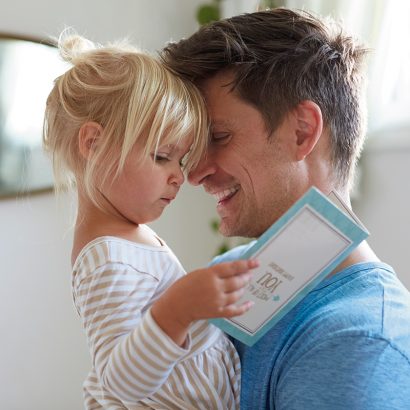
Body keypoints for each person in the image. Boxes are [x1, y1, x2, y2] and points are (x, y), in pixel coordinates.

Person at [161, 7, 410, 409]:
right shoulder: (234, 274)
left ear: (303, 130)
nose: (196, 174)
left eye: (219, 136)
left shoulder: (355, 344)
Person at [43, 32, 259, 410]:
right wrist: (179, 308)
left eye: (181, 159)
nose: (180, 176)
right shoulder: (108, 258)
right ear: (93, 144)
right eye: (162, 157)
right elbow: (121, 382)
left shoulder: (125, 238)